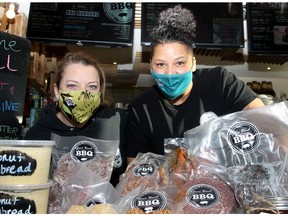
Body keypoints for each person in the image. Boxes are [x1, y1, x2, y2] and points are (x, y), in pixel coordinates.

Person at [125, 5, 265, 164]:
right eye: (161, 65)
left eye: (179, 63)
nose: (170, 74)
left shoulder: (219, 81)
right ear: (150, 65)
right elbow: (135, 171)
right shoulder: (139, 109)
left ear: (193, 64)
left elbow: (263, 118)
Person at [24, 52, 127, 186]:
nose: (82, 94)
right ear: (57, 90)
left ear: (100, 91)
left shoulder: (117, 122)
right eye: (72, 86)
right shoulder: (37, 136)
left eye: (92, 87)